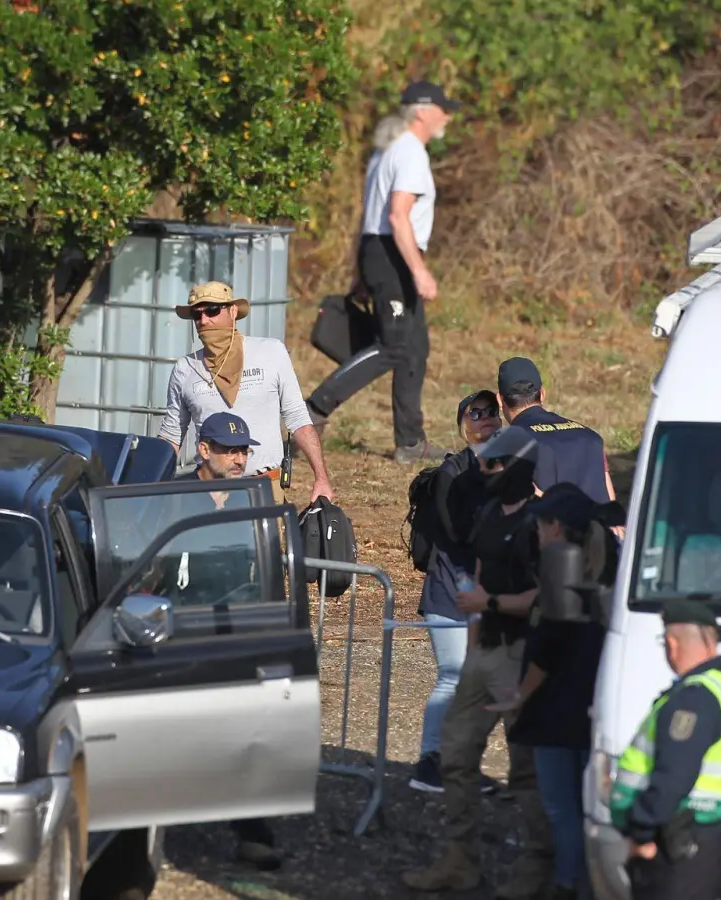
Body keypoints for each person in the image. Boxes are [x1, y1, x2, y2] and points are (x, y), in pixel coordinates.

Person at [405, 425, 553, 897]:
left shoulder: (541, 522)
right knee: (456, 752)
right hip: (485, 652)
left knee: (526, 771)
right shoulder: (489, 513)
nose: (485, 469)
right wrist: (472, 655)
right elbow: (480, 583)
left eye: (494, 463)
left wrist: (488, 608)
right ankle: (459, 859)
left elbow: (544, 597)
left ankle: (538, 867)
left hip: (523, 655)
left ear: (519, 468)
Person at [306, 80, 460, 465]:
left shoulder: (388, 150)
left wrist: (361, 268)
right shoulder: (409, 152)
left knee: (415, 347)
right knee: (395, 346)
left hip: (380, 251)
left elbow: (369, 215)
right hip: (394, 254)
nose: (448, 116)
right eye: (444, 108)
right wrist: (419, 271)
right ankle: (315, 409)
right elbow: (396, 215)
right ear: (424, 111)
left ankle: (410, 441)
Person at [156, 411, 284, 870]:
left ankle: (252, 832)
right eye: (229, 450)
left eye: (244, 450)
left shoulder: (255, 498)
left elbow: (267, 565)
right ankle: (141, 834)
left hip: (234, 628)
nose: (238, 458)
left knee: (241, 735)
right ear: (203, 450)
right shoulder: (172, 495)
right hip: (176, 629)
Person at [489, 483, 624, 900]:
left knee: (562, 810)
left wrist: (519, 696)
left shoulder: (559, 571)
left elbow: (548, 649)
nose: (538, 532)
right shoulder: (614, 566)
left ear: (558, 529)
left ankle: (570, 885)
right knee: (592, 812)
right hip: (597, 707)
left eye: (542, 524)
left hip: (557, 712)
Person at [611, 599, 721, 900]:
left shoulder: (693, 699)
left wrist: (642, 830)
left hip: (676, 840)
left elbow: (675, 775)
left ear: (672, 644)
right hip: (699, 837)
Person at [157, 281, 332, 504]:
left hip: (264, 488)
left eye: (212, 310)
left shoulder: (270, 352)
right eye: (196, 315)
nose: (204, 321)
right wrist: (150, 483)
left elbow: (298, 418)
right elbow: (171, 435)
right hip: (209, 493)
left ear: (232, 311)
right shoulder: (186, 368)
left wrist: (322, 478)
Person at [409, 389, 500, 794]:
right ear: (463, 428)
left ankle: (460, 764)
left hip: (487, 592)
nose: (485, 418)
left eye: (491, 412)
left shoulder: (508, 466)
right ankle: (429, 763)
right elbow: (457, 533)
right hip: (449, 591)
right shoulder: (453, 473)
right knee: (453, 676)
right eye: (475, 413)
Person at [497, 357, 615, 504]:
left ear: (499, 400)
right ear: (542, 394)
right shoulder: (591, 437)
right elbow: (611, 501)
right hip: (599, 525)